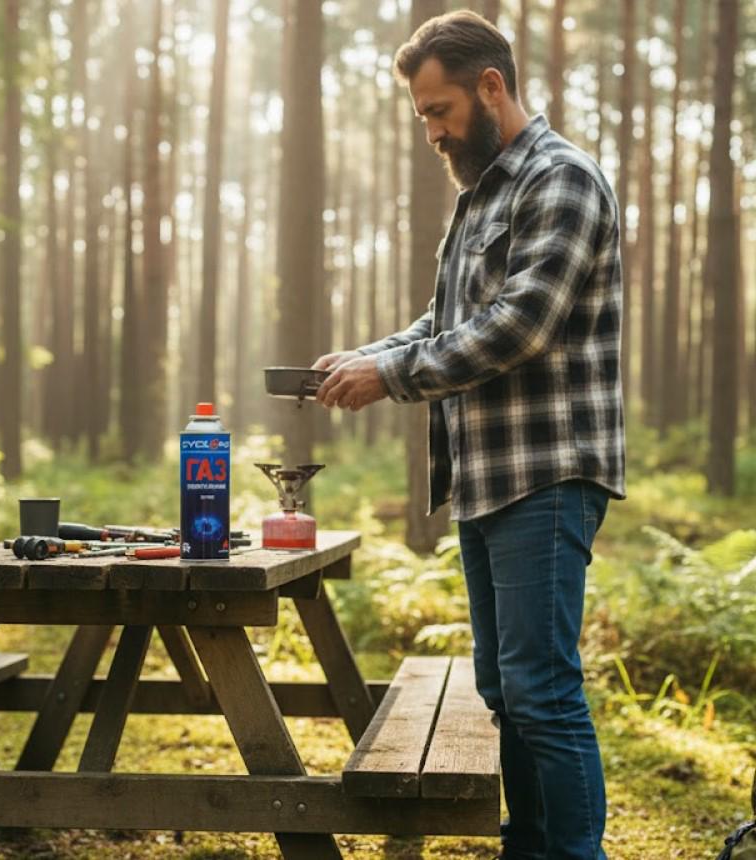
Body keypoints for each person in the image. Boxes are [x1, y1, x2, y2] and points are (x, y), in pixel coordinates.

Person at [313, 10, 625, 860]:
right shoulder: (483, 194)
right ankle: (530, 847)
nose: (433, 131)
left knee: (542, 689)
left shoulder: (560, 180)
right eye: (422, 115)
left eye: (439, 110)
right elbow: (446, 318)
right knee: (503, 688)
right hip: (487, 476)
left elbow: (518, 325)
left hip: (548, 472)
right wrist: (369, 355)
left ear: (491, 86)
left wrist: (392, 376)